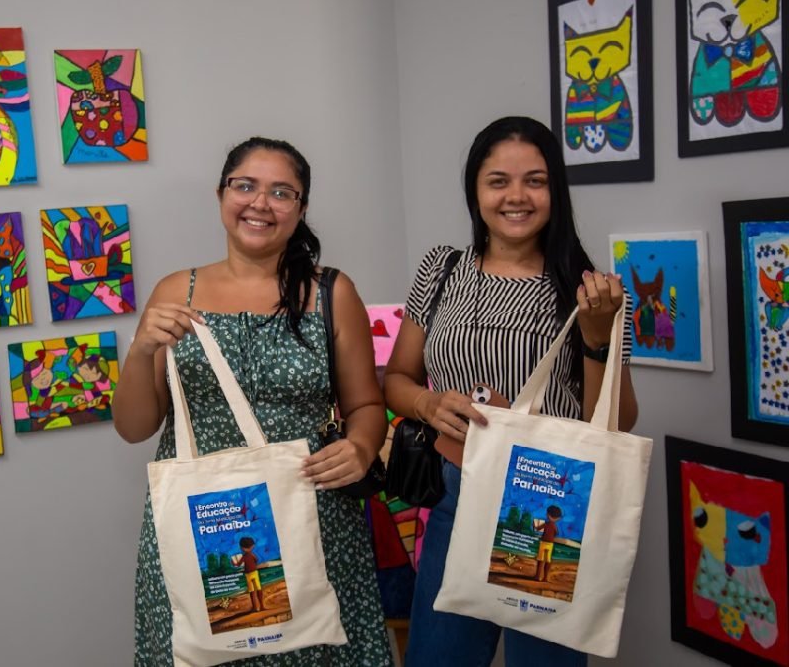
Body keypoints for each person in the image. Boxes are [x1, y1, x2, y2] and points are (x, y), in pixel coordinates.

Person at [113, 136, 393, 666]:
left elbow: (367, 406)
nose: (261, 203)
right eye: (246, 186)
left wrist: (360, 446)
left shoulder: (331, 293)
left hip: (313, 520)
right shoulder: (176, 291)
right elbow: (134, 427)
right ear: (221, 195)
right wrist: (142, 348)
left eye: (281, 192)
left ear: (301, 208)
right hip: (206, 528)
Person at [383, 116, 639, 666]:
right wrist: (428, 403)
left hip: (547, 501)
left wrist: (597, 340)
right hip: (455, 491)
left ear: (555, 191)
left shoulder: (589, 287)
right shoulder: (442, 269)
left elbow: (617, 424)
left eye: (535, 181)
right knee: (438, 659)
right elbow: (396, 380)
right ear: (475, 190)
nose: (515, 196)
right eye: (498, 180)